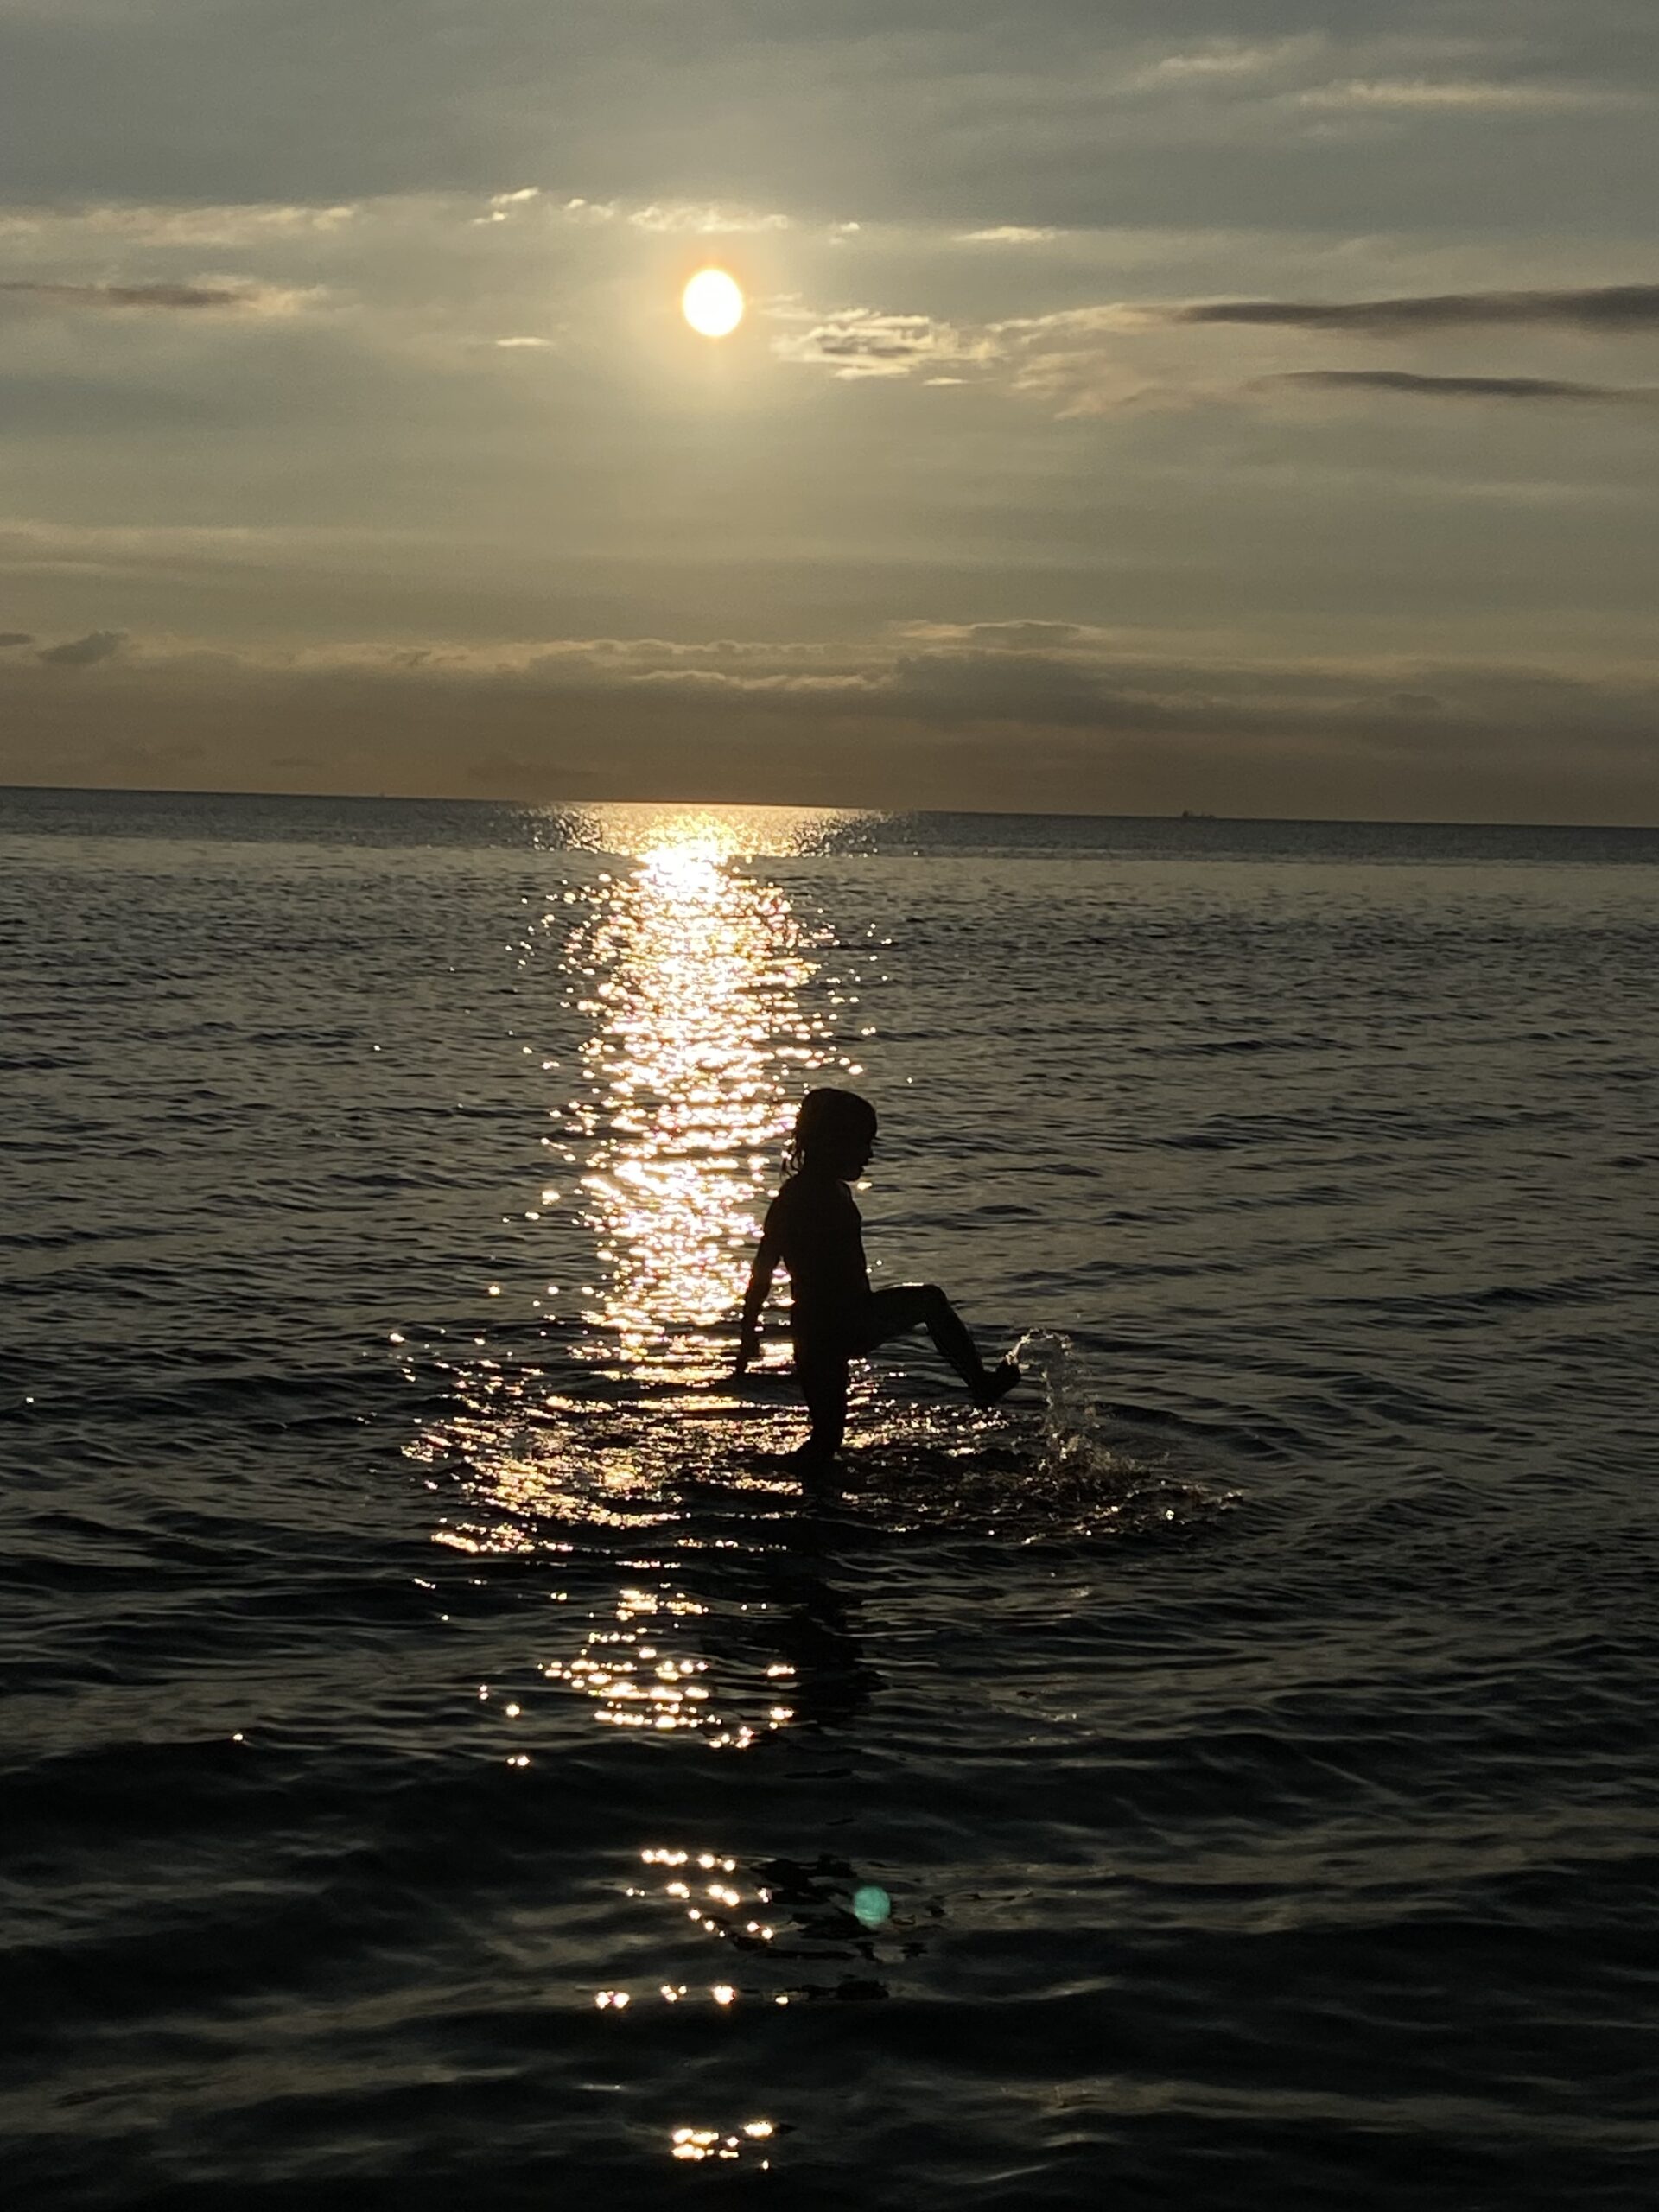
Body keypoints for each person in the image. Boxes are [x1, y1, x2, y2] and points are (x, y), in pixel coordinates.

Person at [734, 1087, 1019, 1467]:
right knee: (828, 1437)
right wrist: (748, 1333)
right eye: (861, 1144)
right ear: (831, 1143)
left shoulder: (834, 1191)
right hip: (833, 1324)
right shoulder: (796, 1199)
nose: (868, 1155)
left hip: (832, 1323)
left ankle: (778, 1480)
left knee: (827, 1439)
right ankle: (980, 1385)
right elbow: (763, 1268)